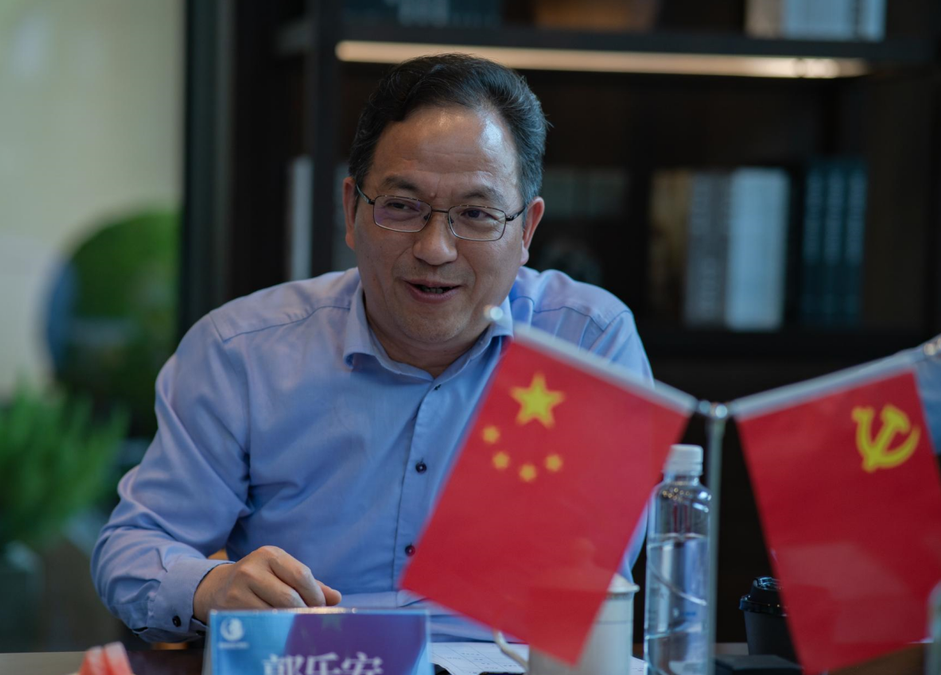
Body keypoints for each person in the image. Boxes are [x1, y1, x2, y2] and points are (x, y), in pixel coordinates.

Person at [92, 54, 652, 644]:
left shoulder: (585, 346)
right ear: (351, 210)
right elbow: (132, 546)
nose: (435, 248)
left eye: (476, 214)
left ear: (527, 230)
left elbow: (589, 589)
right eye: (403, 207)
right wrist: (213, 588)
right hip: (313, 672)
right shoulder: (242, 353)